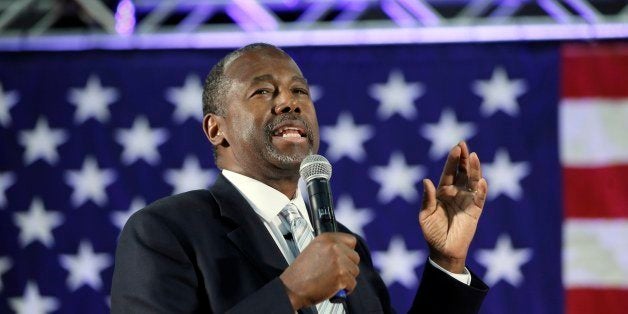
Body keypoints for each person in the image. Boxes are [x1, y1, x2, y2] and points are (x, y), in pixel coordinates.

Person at [110, 43, 490, 313]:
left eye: (299, 91)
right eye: (262, 91)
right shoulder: (165, 232)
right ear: (216, 129)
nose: (289, 102)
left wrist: (448, 262)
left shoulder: (345, 244)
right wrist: (289, 293)